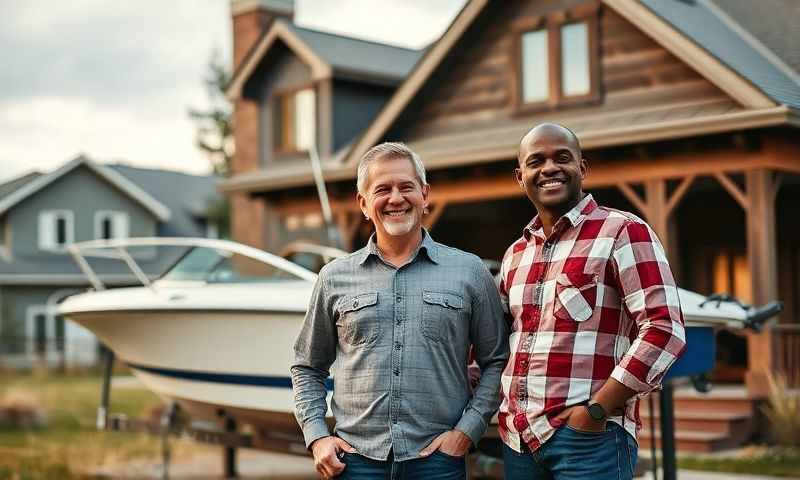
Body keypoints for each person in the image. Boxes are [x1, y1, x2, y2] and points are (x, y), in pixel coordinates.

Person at [291, 142, 509, 479]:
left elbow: (496, 360)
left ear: (424, 194)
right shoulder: (334, 278)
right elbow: (307, 366)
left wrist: (467, 431)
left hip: (438, 461)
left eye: (406, 187)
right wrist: (318, 436)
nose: (396, 198)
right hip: (355, 462)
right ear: (364, 204)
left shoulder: (470, 272)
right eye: (382, 189)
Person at [498, 123, 686, 480]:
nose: (549, 168)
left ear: (582, 168)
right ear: (520, 176)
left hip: (589, 442)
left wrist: (597, 411)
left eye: (562, 157)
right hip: (518, 442)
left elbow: (665, 329)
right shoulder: (515, 254)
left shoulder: (623, 231)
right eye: (536, 161)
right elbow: (503, 343)